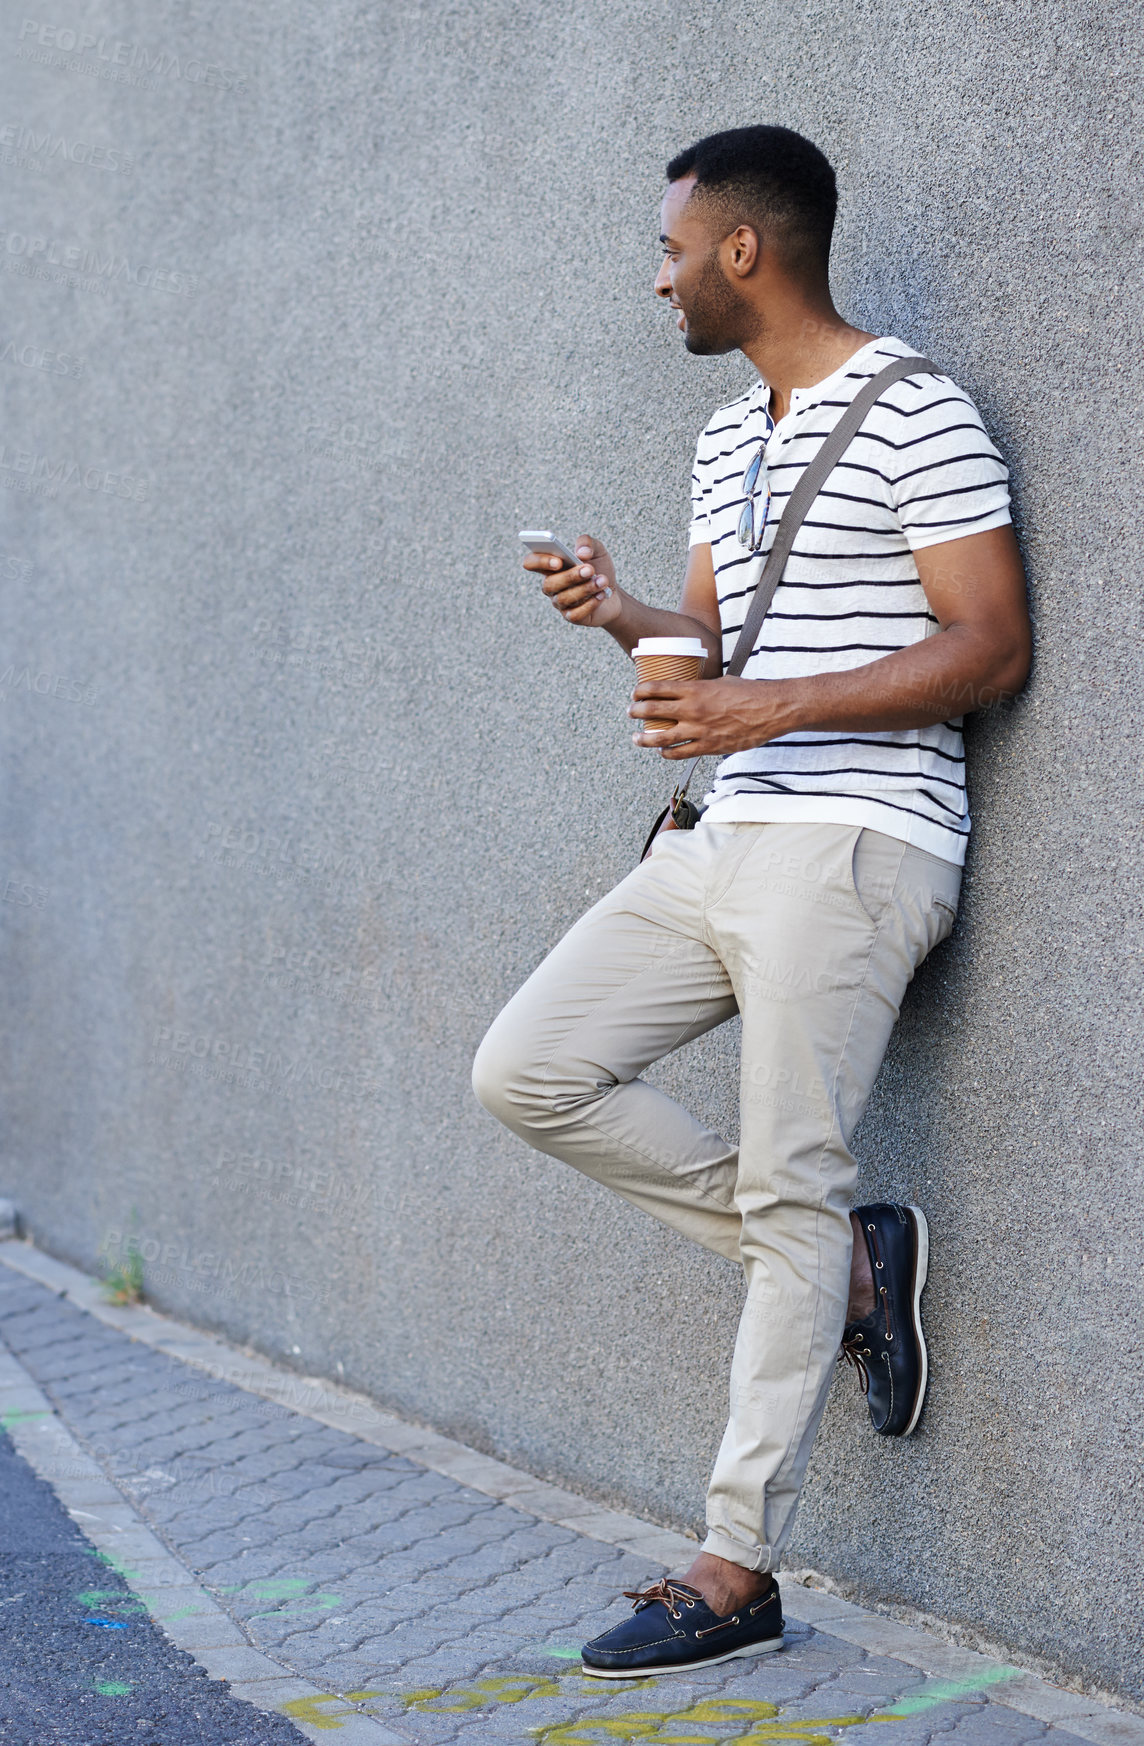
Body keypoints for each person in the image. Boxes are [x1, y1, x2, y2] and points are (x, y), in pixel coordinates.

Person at [472, 124, 1030, 1679]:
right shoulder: (728, 437)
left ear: (743, 252)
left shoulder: (920, 410)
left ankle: (734, 1563)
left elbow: (988, 645)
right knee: (526, 1068)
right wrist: (624, 614)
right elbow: (711, 647)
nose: (654, 280)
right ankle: (846, 1265)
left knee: (795, 1179)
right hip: (719, 837)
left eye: (669, 250)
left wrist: (759, 715)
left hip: (857, 841)